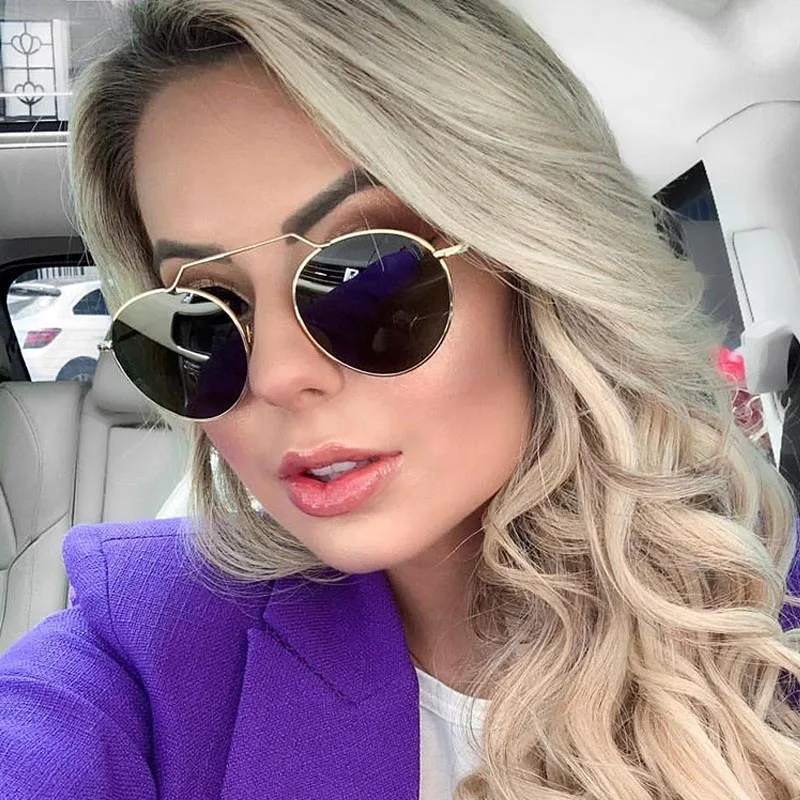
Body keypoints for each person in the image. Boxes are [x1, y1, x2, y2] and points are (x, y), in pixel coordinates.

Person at [2, 0, 799, 798]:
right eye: (205, 310)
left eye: (368, 276)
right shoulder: (143, 652)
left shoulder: (765, 618)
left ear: (539, 274)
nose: (276, 375)